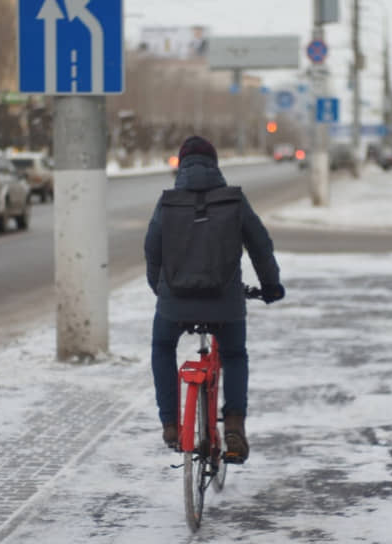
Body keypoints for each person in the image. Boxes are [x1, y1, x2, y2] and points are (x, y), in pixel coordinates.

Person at [144, 135, 285, 463]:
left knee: (163, 347)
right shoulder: (233, 201)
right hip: (226, 303)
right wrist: (271, 285)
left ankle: (169, 423)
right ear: (215, 165)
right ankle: (234, 424)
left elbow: (152, 250)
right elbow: (260, 245)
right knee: (234, 354)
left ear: (180, 165)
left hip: (174, 302)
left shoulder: (167, 203)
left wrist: (159, 287)